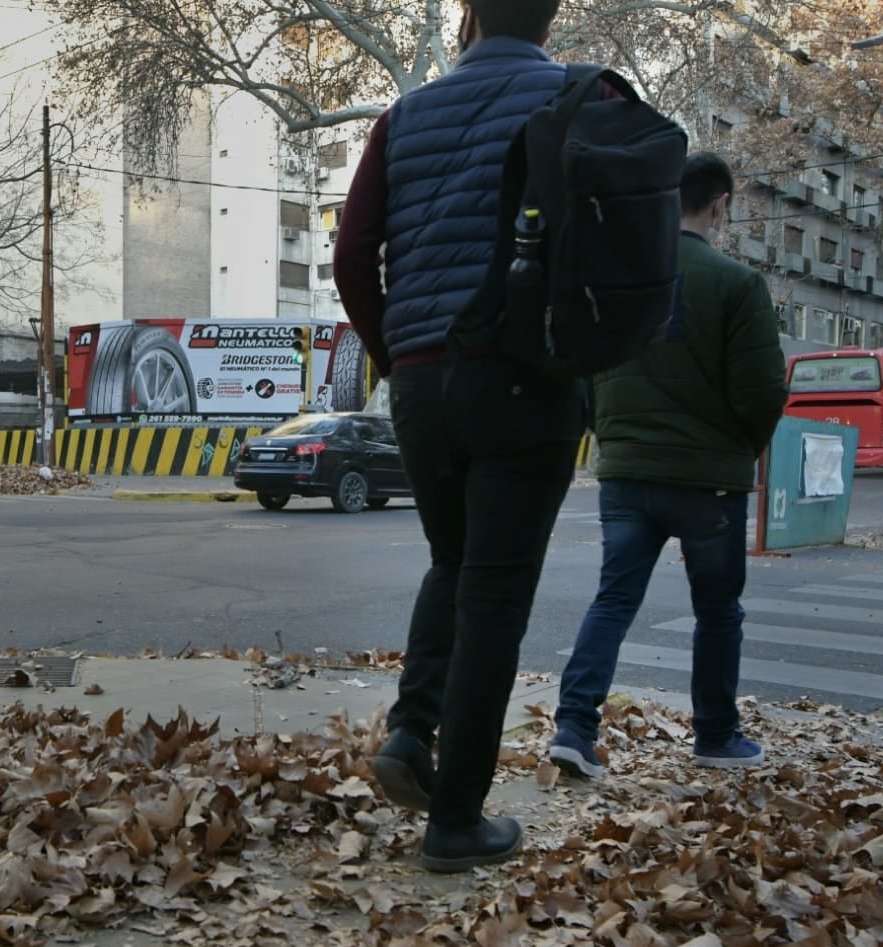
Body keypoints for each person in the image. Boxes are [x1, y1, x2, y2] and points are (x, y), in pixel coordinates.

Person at [334, 0, 591, 871]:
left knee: (451, 561)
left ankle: (410, 734)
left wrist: (396, 353)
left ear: (470, 15)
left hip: (420, 380)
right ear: (549, 18)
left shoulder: (402, 116)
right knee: (495, 591)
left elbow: (351, 251)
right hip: (525, 379)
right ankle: (456, 819)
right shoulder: (575, 101)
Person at [546, 152, 788, 781]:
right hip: (710, 481)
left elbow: (585, 369)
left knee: (614, 598)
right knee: (717, 611)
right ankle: (714, 735)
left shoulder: (620, 280)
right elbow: (763, 390)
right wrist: (740, 448)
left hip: (627, 474)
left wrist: (614, 436)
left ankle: (574, 726)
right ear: (720, 204)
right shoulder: (737, 284)